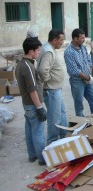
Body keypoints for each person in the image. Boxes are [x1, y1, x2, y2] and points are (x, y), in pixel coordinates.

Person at [15, 37, 47, 165]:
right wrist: (39, 107)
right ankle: (42, 158)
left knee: (29, 129)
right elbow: (32, 90)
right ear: (31, 51)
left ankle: (32, 155)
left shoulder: (20, 64)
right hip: (33, 104)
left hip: (26, 104)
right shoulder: (27, 66)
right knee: (38, 132)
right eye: (38, 51)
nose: (39, 53)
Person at [37, 29, 67, 144]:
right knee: (54, 118)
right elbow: (42, 70)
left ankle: (64, 137)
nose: (62, 42)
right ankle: (52, 143)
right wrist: (48, 81)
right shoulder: (48, 51)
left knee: (62, 114)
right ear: (54, 40)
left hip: (56, 89)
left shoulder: (49, 48)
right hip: (51, 90)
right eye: (61, 40)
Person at [64, 29, 93, 117]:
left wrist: (90, 74)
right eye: (82, 38)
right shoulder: (69, 52)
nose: (84, 40)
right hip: (77, 82)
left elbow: (89, 61)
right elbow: (74, 71)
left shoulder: (83, 48)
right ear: (75, 39)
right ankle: (81, 124)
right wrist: (88, 78)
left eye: (84, 38)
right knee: (79, 104)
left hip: (88, 79)